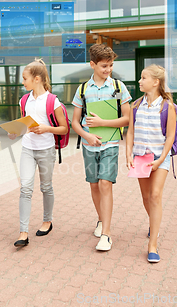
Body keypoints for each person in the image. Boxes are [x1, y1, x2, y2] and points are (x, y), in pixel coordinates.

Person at [71, 44, 131, 251]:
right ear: (93, 65)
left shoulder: (118, 87)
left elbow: (126, 119)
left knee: (106, 184)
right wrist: (87, 135)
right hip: (89, 146)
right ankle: (101, 219)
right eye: (104, 66)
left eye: (111, 65)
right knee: (94, 185)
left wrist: (102, 123)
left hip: (111, 144)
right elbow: (75, 123)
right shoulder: (82, 89)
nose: (108, 70)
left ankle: (106, 234)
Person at [9, 59, 68, 247]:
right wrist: (14, 131)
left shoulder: (53, 101)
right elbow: (23, 124)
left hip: (46, 149)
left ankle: (47, 220)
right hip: (27, 148)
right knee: (25, 188)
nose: (23, 82)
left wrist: (46, 128)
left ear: (36, 79)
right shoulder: (24, 100)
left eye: (25, 79)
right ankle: (23, 232)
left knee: (46, 187)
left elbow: (64, 129)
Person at [125, 64, 176, 263]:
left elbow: (170, 135)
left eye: (143, 78)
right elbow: (130, 132)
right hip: (140, 157)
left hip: (160, 157)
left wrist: (162, 159)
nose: (140, 81)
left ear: (155, 82)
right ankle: (153, 222)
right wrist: (128, 153)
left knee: (155, 195)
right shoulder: (135, 105)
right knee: (146, 197)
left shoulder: (167, 106)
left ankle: (152, 244)